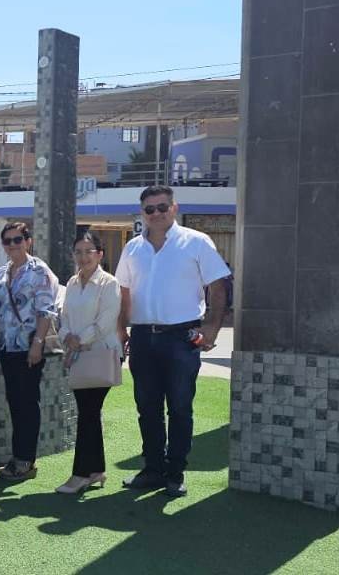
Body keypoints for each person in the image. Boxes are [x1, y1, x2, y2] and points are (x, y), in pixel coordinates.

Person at [116, 186, 229, 498]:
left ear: (174, 208)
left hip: (182, 338)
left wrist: (212, 328)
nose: (156, 214)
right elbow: (123, 292)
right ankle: (153, 469)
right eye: (149, 209)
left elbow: (218, 285)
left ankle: (175, 473)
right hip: (142, 337)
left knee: (180, 407)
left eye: (162, 207)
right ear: (142, 213)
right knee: (147, 407)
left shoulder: (196, 241)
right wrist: (121, 330)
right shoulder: (133, 248)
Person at [55, 232, 122, 494]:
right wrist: (67, 336)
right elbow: (63, 317)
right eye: (78, 252)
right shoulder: (72, 283)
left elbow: (106, 322)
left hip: (99, 355)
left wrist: (78, 340)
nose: (83, 257)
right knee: (89, 413)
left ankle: (81, 474)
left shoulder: (109, 283)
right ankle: (96, 470)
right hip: (77, 357)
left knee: (88, 413)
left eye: (89, 251)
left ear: (100, 254)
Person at [0, 222, 60, 482]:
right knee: (15, 402)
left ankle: (25, 460)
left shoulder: (39, 271)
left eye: (17, 239)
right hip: (7, 347)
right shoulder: (3, 272)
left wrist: (37, 344)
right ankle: (18, 456)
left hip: (29, 347)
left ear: (28, 241)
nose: (13, 245)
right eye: (7, 241)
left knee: (27, 404)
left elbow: (46, 311)